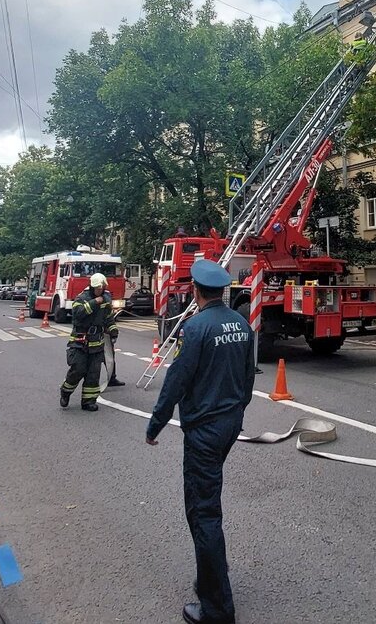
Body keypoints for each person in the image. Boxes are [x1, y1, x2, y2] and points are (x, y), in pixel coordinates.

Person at [146, 259, 255, 624]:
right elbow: (247, 377)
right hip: (229, 424)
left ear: (195, 291)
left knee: (203, 512)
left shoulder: (194, 328)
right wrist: (238, 410)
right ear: (222, 290)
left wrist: (155, 424)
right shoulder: (241, 323)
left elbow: (176, 380)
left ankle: (217, 609)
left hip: (204, 430)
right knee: (209, 502)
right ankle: (211, 576)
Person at [59, 273, 122, 411]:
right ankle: (65, 391)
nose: (100, 290)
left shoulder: (106, 298)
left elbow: (108, 317)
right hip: (80, 342)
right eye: (98, 288)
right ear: (92, 287)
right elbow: (78, 314)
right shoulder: (81, 298)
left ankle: (88, 401)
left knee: (94, 373)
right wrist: (94, 302)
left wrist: (113, 330)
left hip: (97, 343)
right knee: (78, 370)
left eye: (102, 287)